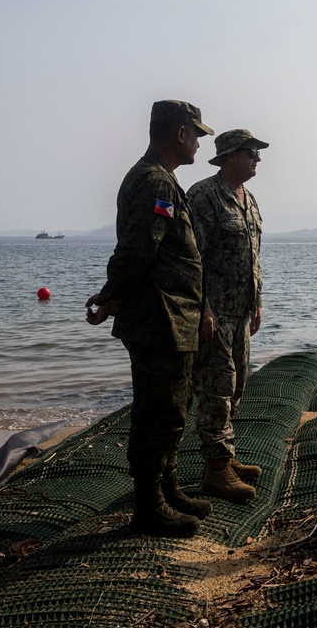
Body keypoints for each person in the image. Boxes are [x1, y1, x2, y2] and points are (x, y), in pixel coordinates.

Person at [85, 100, 214, 537]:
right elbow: (140, 249)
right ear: (180, 133)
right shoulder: (156, 180)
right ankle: (149, 507)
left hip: (173, 316)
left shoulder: (161, 179)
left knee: (174, 410)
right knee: (158, 414)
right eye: (196, 134)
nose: (199, 142)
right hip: (159, 317)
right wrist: (111, 295)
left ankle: (169, 488)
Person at [186, 129, 268, 503]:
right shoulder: (204, 197)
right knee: (216, 392)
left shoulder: (248, 199)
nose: (258, 159)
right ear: (231, 156)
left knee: (235, 390)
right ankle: (216, 471)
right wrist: (202, 308)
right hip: (214, 314)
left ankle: (226, 459)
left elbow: (253, 256)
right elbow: (191, 258)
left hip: (241, 312)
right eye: (252, 152)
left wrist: (257, 302)